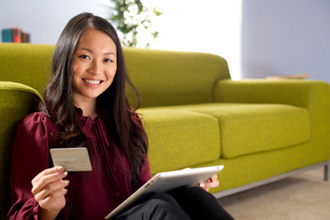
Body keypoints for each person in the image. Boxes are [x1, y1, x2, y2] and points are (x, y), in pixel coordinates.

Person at [7, 12, 234, 220]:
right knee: (160, 208)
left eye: (108, 60)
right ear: (66, 59)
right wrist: (48, 208)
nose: (97, 70)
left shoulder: (128, 124)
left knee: (194, 197)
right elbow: (19, 214)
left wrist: (183, 183)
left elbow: (143, 192)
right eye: (85, 57)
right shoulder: (40, 128)